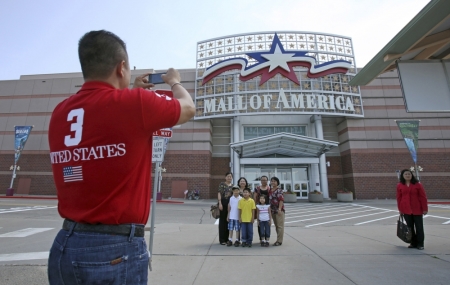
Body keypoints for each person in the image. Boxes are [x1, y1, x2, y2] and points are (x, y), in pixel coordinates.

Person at [47, 30, 195, 284]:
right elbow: (188, 108)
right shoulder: (135, 103)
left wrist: (131, 91)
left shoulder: (60, 112)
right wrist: (174, 81)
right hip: (114, 250)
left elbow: (103, 136)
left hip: (65, 244)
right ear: (122, 66)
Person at [397, 169, 428, 250]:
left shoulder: (418, 185)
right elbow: (399, 198)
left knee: (419, 227)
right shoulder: (400, 185)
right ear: (403, 176)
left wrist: (425, 209)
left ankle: (420, 244)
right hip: (406, 209)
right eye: (406, 174)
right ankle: (413, 243)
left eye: (409, 174)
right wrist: (400, 209)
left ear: (412, 175)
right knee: (410, 228)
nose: (408, 175)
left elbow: (423, 197)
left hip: (417, 209)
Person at [253, 175, 270, 244]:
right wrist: (255, 206)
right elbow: (254, 197)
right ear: (260, 181)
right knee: (260, 223)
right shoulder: (257, 188)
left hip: (267, 207)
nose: (264, 181)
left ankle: (267, 239)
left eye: (265, 180)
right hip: (259, 207)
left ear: (267, 181)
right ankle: (261, 239)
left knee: (267, 224)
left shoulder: (269, 188)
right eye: (262, 180)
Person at [218, 172, 233, 245]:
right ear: (225, 177)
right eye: (228, 176)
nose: (229, 178)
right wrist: (220, 203)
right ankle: (222, 239)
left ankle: (227, 239)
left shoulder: (233, 186)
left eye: (230, 176)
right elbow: (219, 193)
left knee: (228, 221)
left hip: (230, 205)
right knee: (222, 221)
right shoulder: (222, 184)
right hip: (223, 204)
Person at [269, 176, 285, 246]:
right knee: (276, 225)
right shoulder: (270, 190)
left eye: (274, 181)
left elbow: (281, 200)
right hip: (272, 210)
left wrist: (279, 209)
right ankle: (278, 239)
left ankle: (279, 241)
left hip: (279, 210)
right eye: (272, 181)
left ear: (277, 182)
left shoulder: (279, 190)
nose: (273, 182)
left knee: (280, 226)